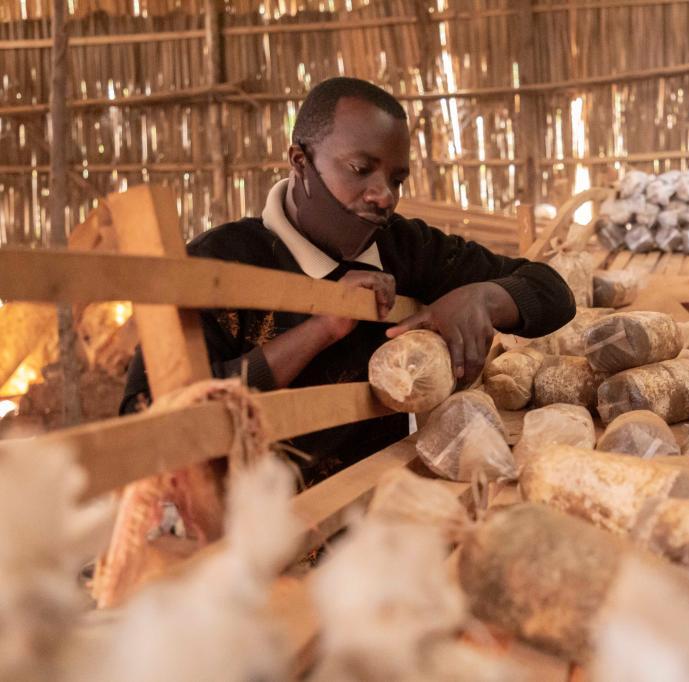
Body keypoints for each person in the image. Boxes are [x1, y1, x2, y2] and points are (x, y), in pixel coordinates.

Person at [121, 77, 576, 483]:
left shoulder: (402, 247)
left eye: (396, 179)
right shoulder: (219, 263)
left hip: (371, 514)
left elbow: (552, 291)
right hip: (253, 529)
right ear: (300, 162)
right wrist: (321, 329)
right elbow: (145, 419)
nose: (384, 196)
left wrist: (484, 298)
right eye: (361, 170)